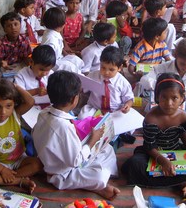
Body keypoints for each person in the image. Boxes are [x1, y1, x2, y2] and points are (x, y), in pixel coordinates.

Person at [32, 71, 120, 200]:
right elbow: (75, 161)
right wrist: (91, 140)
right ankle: (99, 186)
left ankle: (95, 181)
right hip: (62, 174)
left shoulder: (44, 113)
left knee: (107, 149)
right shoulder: (63, 126)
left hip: (56, 159)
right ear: (74, 99)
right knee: (100, 176)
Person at [122, 73, 186, 194]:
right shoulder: (151, 118)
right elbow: (149, 146)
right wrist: (163, 161)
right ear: (157, 97)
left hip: (175, 150)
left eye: (174, 98)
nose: (169, 103)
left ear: (182, 98)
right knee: (135, 164)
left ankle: (177, 180)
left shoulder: (183, 115)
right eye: (164, 97)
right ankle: (181, 181)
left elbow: (183, 133)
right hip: (153, 153)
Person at [0, 80, 42, 194]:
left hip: (19, 159)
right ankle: (18, 181)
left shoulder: (15, 114)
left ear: (14, 104)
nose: (3, 111)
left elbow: (30, 101)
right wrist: (1, 169)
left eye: (8, 106)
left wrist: (14, 86)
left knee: (38, 164)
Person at [140, 37, 186, 125]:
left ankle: (171, 120)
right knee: (149, 107)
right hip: (165, 104)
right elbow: (144, 80)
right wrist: (162, 86)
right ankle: (182, 122)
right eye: (182, 64)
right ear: (176, 57)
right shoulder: (164, 67)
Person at [78, 46, 134, 119]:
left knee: (127, 121)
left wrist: (127, 105)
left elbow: (129, 98)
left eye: (111, 69)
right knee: (82, 117)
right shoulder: (93, 75)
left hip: (115, 110)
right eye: (103, 67)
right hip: (95, 108)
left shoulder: (122, 82)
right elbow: (83, 88)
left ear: (120, 68)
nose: (106, 72)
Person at [0, 12, 31, 83]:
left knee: (25, 73)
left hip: (19, 64)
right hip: (5, 66)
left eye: (16, 24)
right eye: (9, 26)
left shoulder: (24, 40)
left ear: (20, 26)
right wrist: (1, 63)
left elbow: (27, 57)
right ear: (4, 29)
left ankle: (12, 81)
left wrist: (29, 61)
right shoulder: (1, 43)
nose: (13, 28)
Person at [41, 7, 84, 74]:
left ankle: (82, 73)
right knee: (71, 67)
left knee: (76, 60)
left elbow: (59, 48)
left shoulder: (54, 32)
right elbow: (48, 59)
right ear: (63, 25)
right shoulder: (50, 40)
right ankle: (81, 77)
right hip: (53, 63)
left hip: (59, 57)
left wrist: (67, 54)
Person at [14, 45, 56, 109]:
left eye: (48, 70)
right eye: (41, 69)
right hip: (29, 108)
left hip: (48, 107)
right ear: (31, 62)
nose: (45, 73)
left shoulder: (51, 74)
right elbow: (18, 96)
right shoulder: (21, 75)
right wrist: (36, 91)